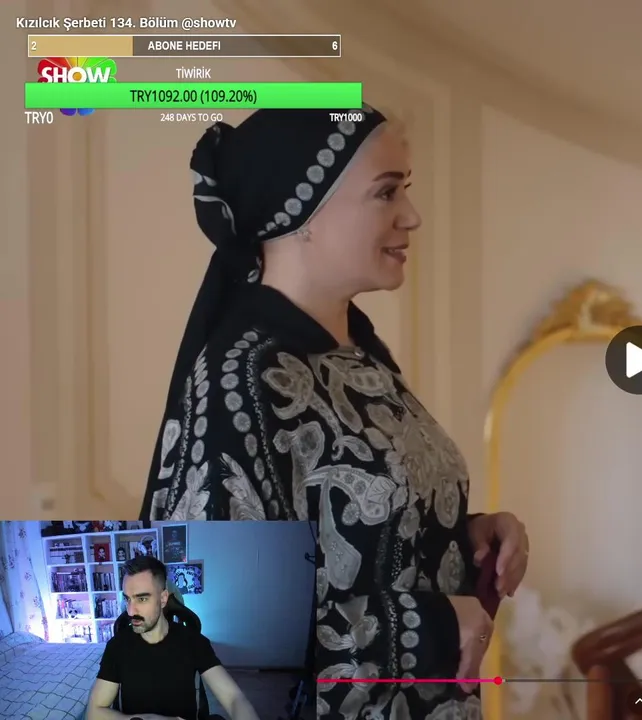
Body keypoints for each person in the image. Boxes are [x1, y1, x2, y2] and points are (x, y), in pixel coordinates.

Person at [138, 108, 532, 719]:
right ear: (300, 212)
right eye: (386, 192)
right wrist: (426, 626)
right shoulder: (241, 382)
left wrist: (463, 533)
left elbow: (364, 528)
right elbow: (219, 636)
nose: (412, 215)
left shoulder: (359, 354)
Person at [87, 557, 258, 720]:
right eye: (127, 599)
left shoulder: (193, 642)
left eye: (142, 599)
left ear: (163, 599)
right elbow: (94, 712)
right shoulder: (117, 647)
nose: (131, 611)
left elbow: (234, 699)